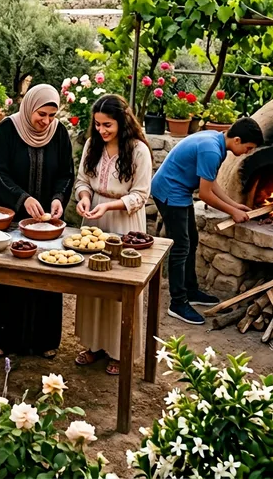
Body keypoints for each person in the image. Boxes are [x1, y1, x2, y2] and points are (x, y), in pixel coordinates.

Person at [0, 84, 74, 358]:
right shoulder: (8, 129)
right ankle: (0, 336)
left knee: (45, 273)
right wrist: (22, 199)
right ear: (30, 107)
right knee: (6, 275)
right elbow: (0, 172)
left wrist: (57, 198)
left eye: (51, 116)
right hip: (10, 217)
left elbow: (66, 173)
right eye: (41, 114)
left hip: (46, 223)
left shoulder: (59, 134)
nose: (45, 121)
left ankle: (43, 340)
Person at [151, 117, 264, 325]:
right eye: (248, 148)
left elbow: (210, 183)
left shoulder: (217, 142)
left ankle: (191, 290)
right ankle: (177, 302)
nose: (248, 152)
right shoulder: (211, 150)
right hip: (169, 191)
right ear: (237, 140)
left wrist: (234, 205)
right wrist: (232, 211)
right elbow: (205, 194)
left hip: (180, 191)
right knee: (181, 246)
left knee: (191, 240)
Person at [74, 95, 152, 375]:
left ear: (122, 121)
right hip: (94, 217)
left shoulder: (138, 150)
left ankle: (121, 351)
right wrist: (85, 198)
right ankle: (94, 345)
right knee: (93, 281)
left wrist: (108, 204)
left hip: (123, 221)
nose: (101, 130)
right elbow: (83, 180)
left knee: (120, 285)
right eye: (97, 125)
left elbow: (141, 195)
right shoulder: (92, 145)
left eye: (107, 125)